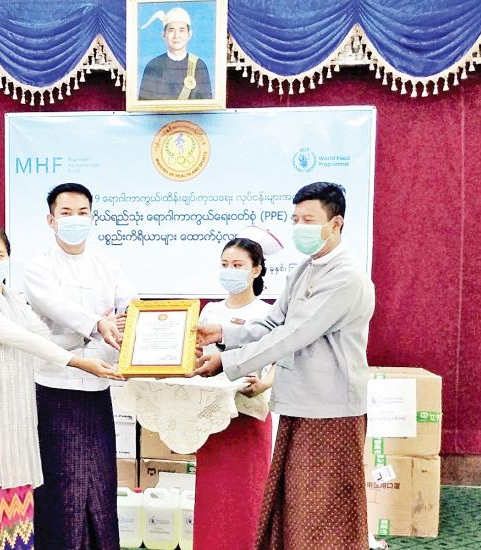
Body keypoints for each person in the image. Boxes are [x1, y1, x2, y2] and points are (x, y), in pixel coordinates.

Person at [194, 182, 375, 550]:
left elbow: (293, 335)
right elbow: (273, 323)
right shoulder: (306, 268)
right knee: (294, 507)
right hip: (299, 403)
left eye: (308, 220)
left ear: (336, 223)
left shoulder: (345, 276)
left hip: (330, 410)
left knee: (323, 514)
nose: (299, 227)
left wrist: (227, 361)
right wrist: (223, 333)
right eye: (295, 219)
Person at [0, 224, 122, 550]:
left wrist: (96, 328)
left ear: (8, 258)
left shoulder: (13, 300)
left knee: (14, 485)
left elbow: (45, 338)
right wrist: (80, 362)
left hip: (12, 402)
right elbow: (23, 340)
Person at [23, 183, 135, 550]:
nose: (75, 219)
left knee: (100, 480)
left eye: (83, 212)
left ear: (92, 217)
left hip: (99, 385)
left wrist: (133, 323)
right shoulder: (38, 266)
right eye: (66, 213)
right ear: (51, 220)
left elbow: (130, 308)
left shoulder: (108, 265)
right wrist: (98, 323)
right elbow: (56, 309)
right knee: (61, 482)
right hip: (55, 385)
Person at [193, 232, 279, 550]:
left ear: (256, 269)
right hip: (211, 416)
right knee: (213, 497)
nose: (230, 270)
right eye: (225, 264)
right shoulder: (209, 312)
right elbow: (196, 357)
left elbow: (283, 359)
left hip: (249, 413)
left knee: (249, 495)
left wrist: (265, 384)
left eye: (238, 265)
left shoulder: (268, 314)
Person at [138, 7, 213, 100]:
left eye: (181, 30)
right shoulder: (153, 65)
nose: (176, 36)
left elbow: (207, 103)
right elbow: (144, 103)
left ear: (189, 34)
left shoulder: (199, 65)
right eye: (171, 30)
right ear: (163, 34)